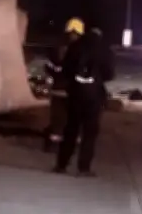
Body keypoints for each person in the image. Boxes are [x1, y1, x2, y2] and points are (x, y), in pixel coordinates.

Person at [54, 24, 115, 177]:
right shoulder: (105, 50)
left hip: (75, 94)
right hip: (94, 97)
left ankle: (61, 164)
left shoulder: (75, 47)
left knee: (71, 129)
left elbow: (65, 70)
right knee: (90, 133)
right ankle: (84, 168)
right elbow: (109, 74)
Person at [42, 17, 84, 152]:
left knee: (58, 119)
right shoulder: (83, 51)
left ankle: (55, 143)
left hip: (60, 89)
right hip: (74, 91)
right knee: (71, 119)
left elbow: (49, 67)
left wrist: (53, 73)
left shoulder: (58, 48)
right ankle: (70, 145)